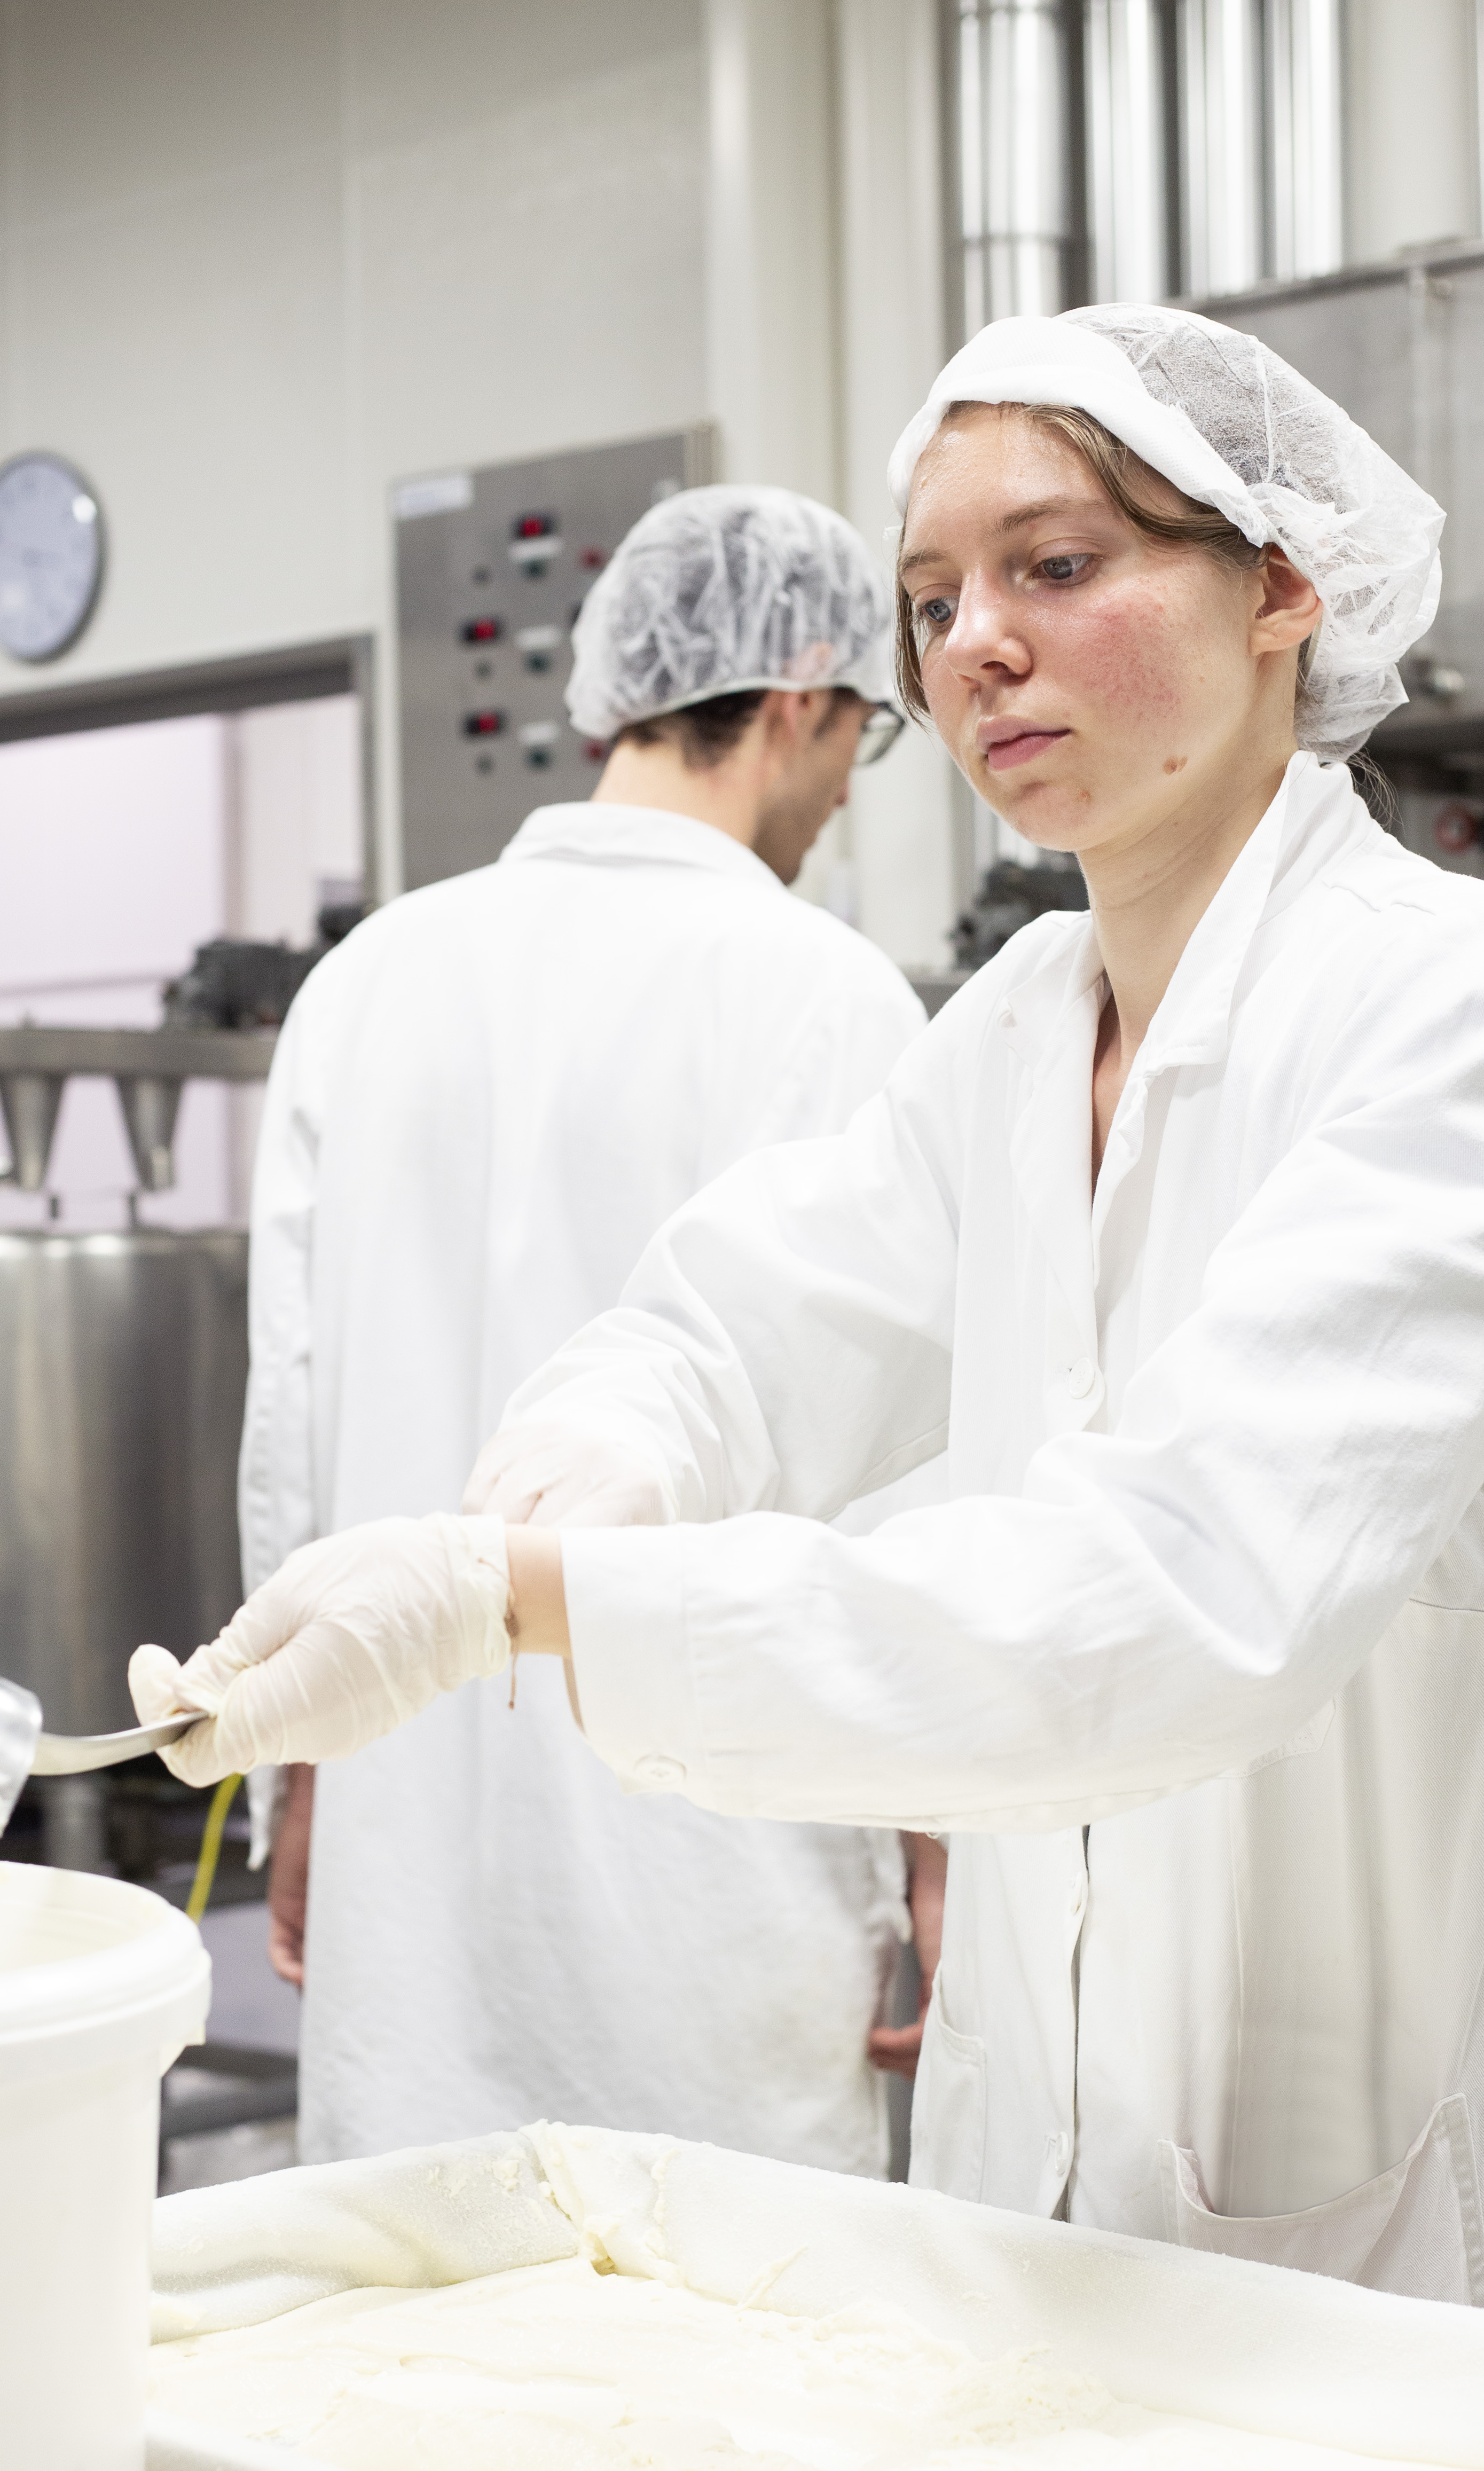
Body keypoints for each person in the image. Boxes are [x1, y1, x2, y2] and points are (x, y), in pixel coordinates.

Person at [135, 305, 1484, 2323]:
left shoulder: (1463, 1012)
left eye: (1056, 567)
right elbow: (729, 1334)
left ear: (1280, 591)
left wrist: (532, 1604)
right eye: (928, 599)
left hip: (1385, 2230)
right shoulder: (1010, 1030)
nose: (972, 642)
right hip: (1028, 2201)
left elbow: (1177, 1601)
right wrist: (547, 1503)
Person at [219, 484, 933, 2170]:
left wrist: (297, 1773)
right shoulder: (825, 997)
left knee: (409, 2357)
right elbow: (900, 1461)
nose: (842, 793)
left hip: (413, 1839)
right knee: (715, 2360)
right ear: (798, 699)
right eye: (857, 744)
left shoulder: (372, 979)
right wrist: (937, 1844)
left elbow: (290, 1429)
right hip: (719, 1873)